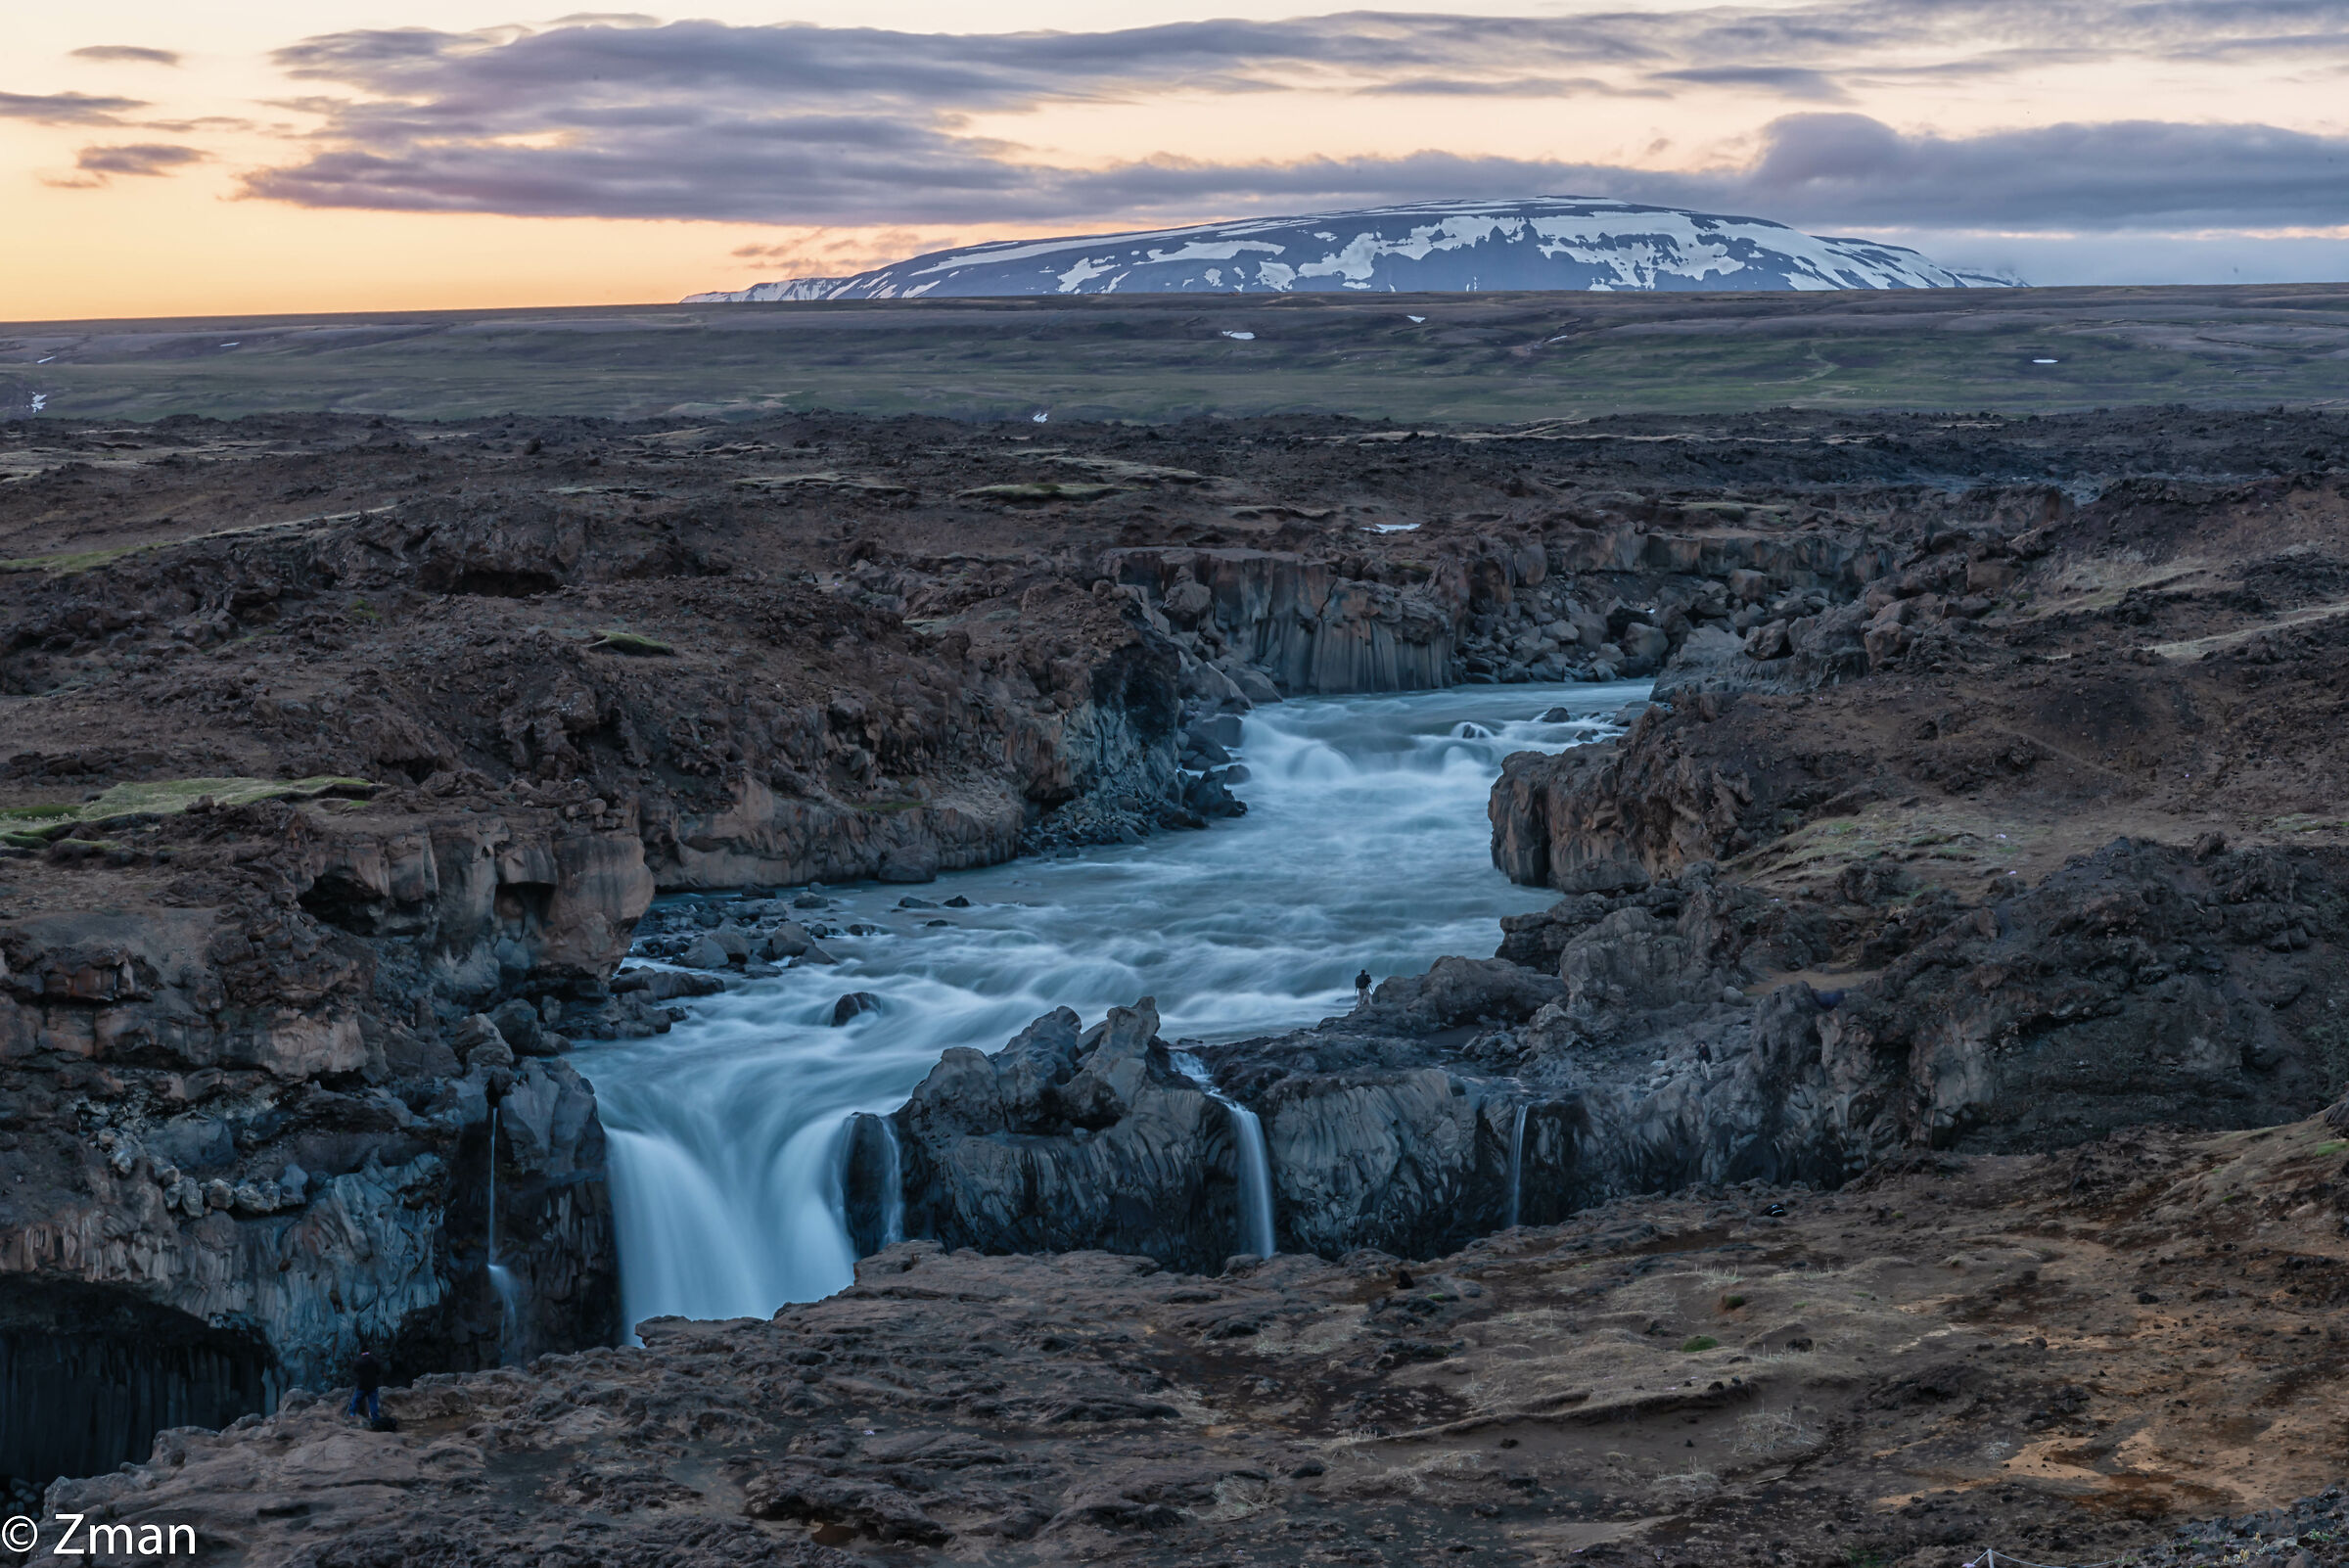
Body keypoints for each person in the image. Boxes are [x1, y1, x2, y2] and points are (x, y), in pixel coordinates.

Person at [347, 1349, 383, 1424]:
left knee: (356, 1400)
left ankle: (352, 1414)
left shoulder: (358, 1361)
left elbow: (354, 1370)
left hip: (361, 1384)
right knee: (373, 1402)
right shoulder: (374, 1360)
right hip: (372, 1385)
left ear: (362, 1352)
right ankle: (375, 1419)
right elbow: (379, 1371)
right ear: (368, 1352)